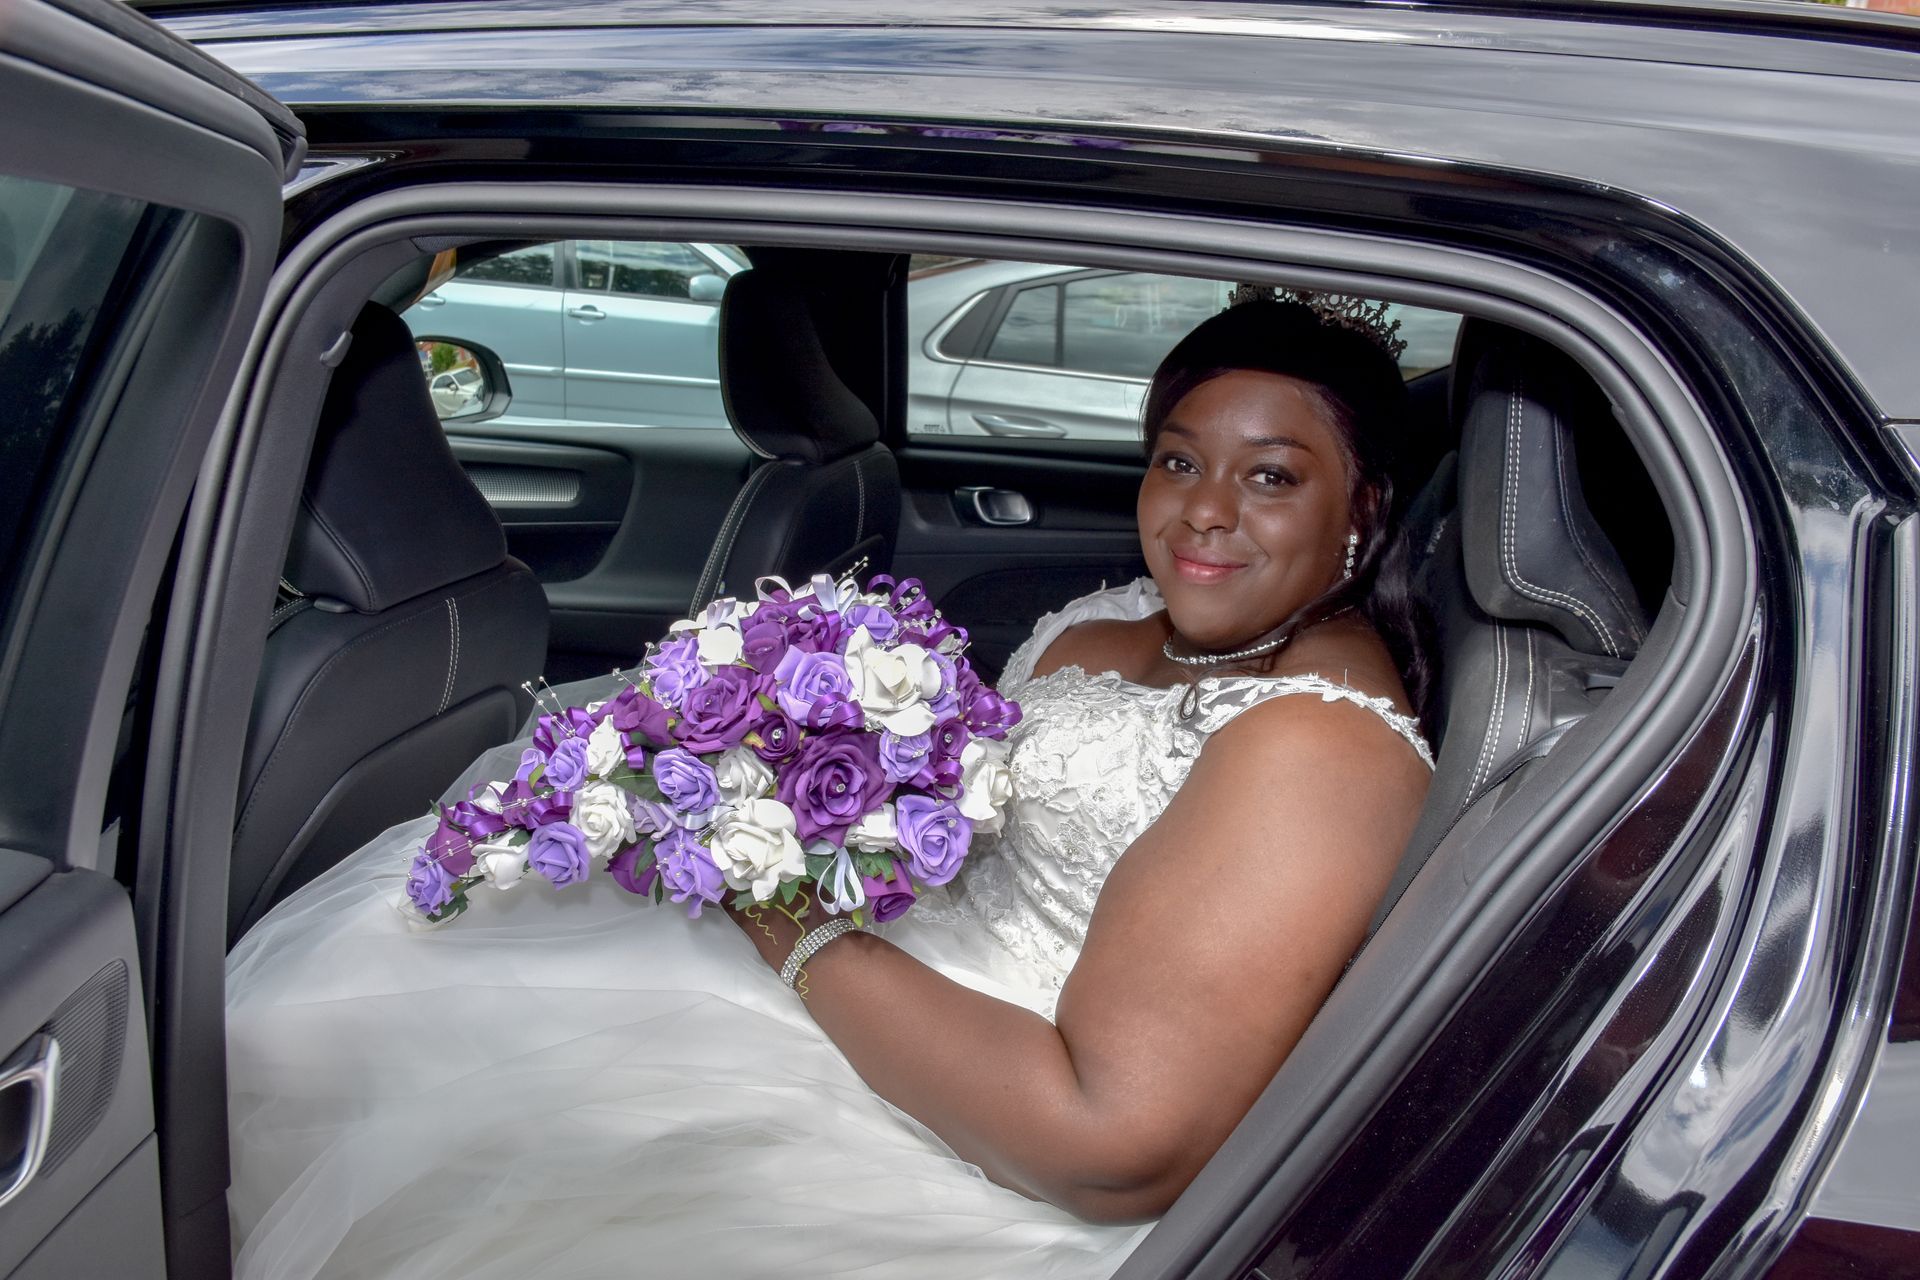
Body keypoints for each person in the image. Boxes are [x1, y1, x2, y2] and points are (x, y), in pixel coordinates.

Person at [224, 292, 1434, 1279]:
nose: (1205, 513)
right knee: (400, 982)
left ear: (1363, 510)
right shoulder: (1137, 620)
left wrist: (782, 909)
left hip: (977, 1105)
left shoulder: (1312, 746)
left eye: (1272, 477)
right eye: (1179, 460)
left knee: (392, 1058)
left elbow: (1110, 1145)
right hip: (901, 963)